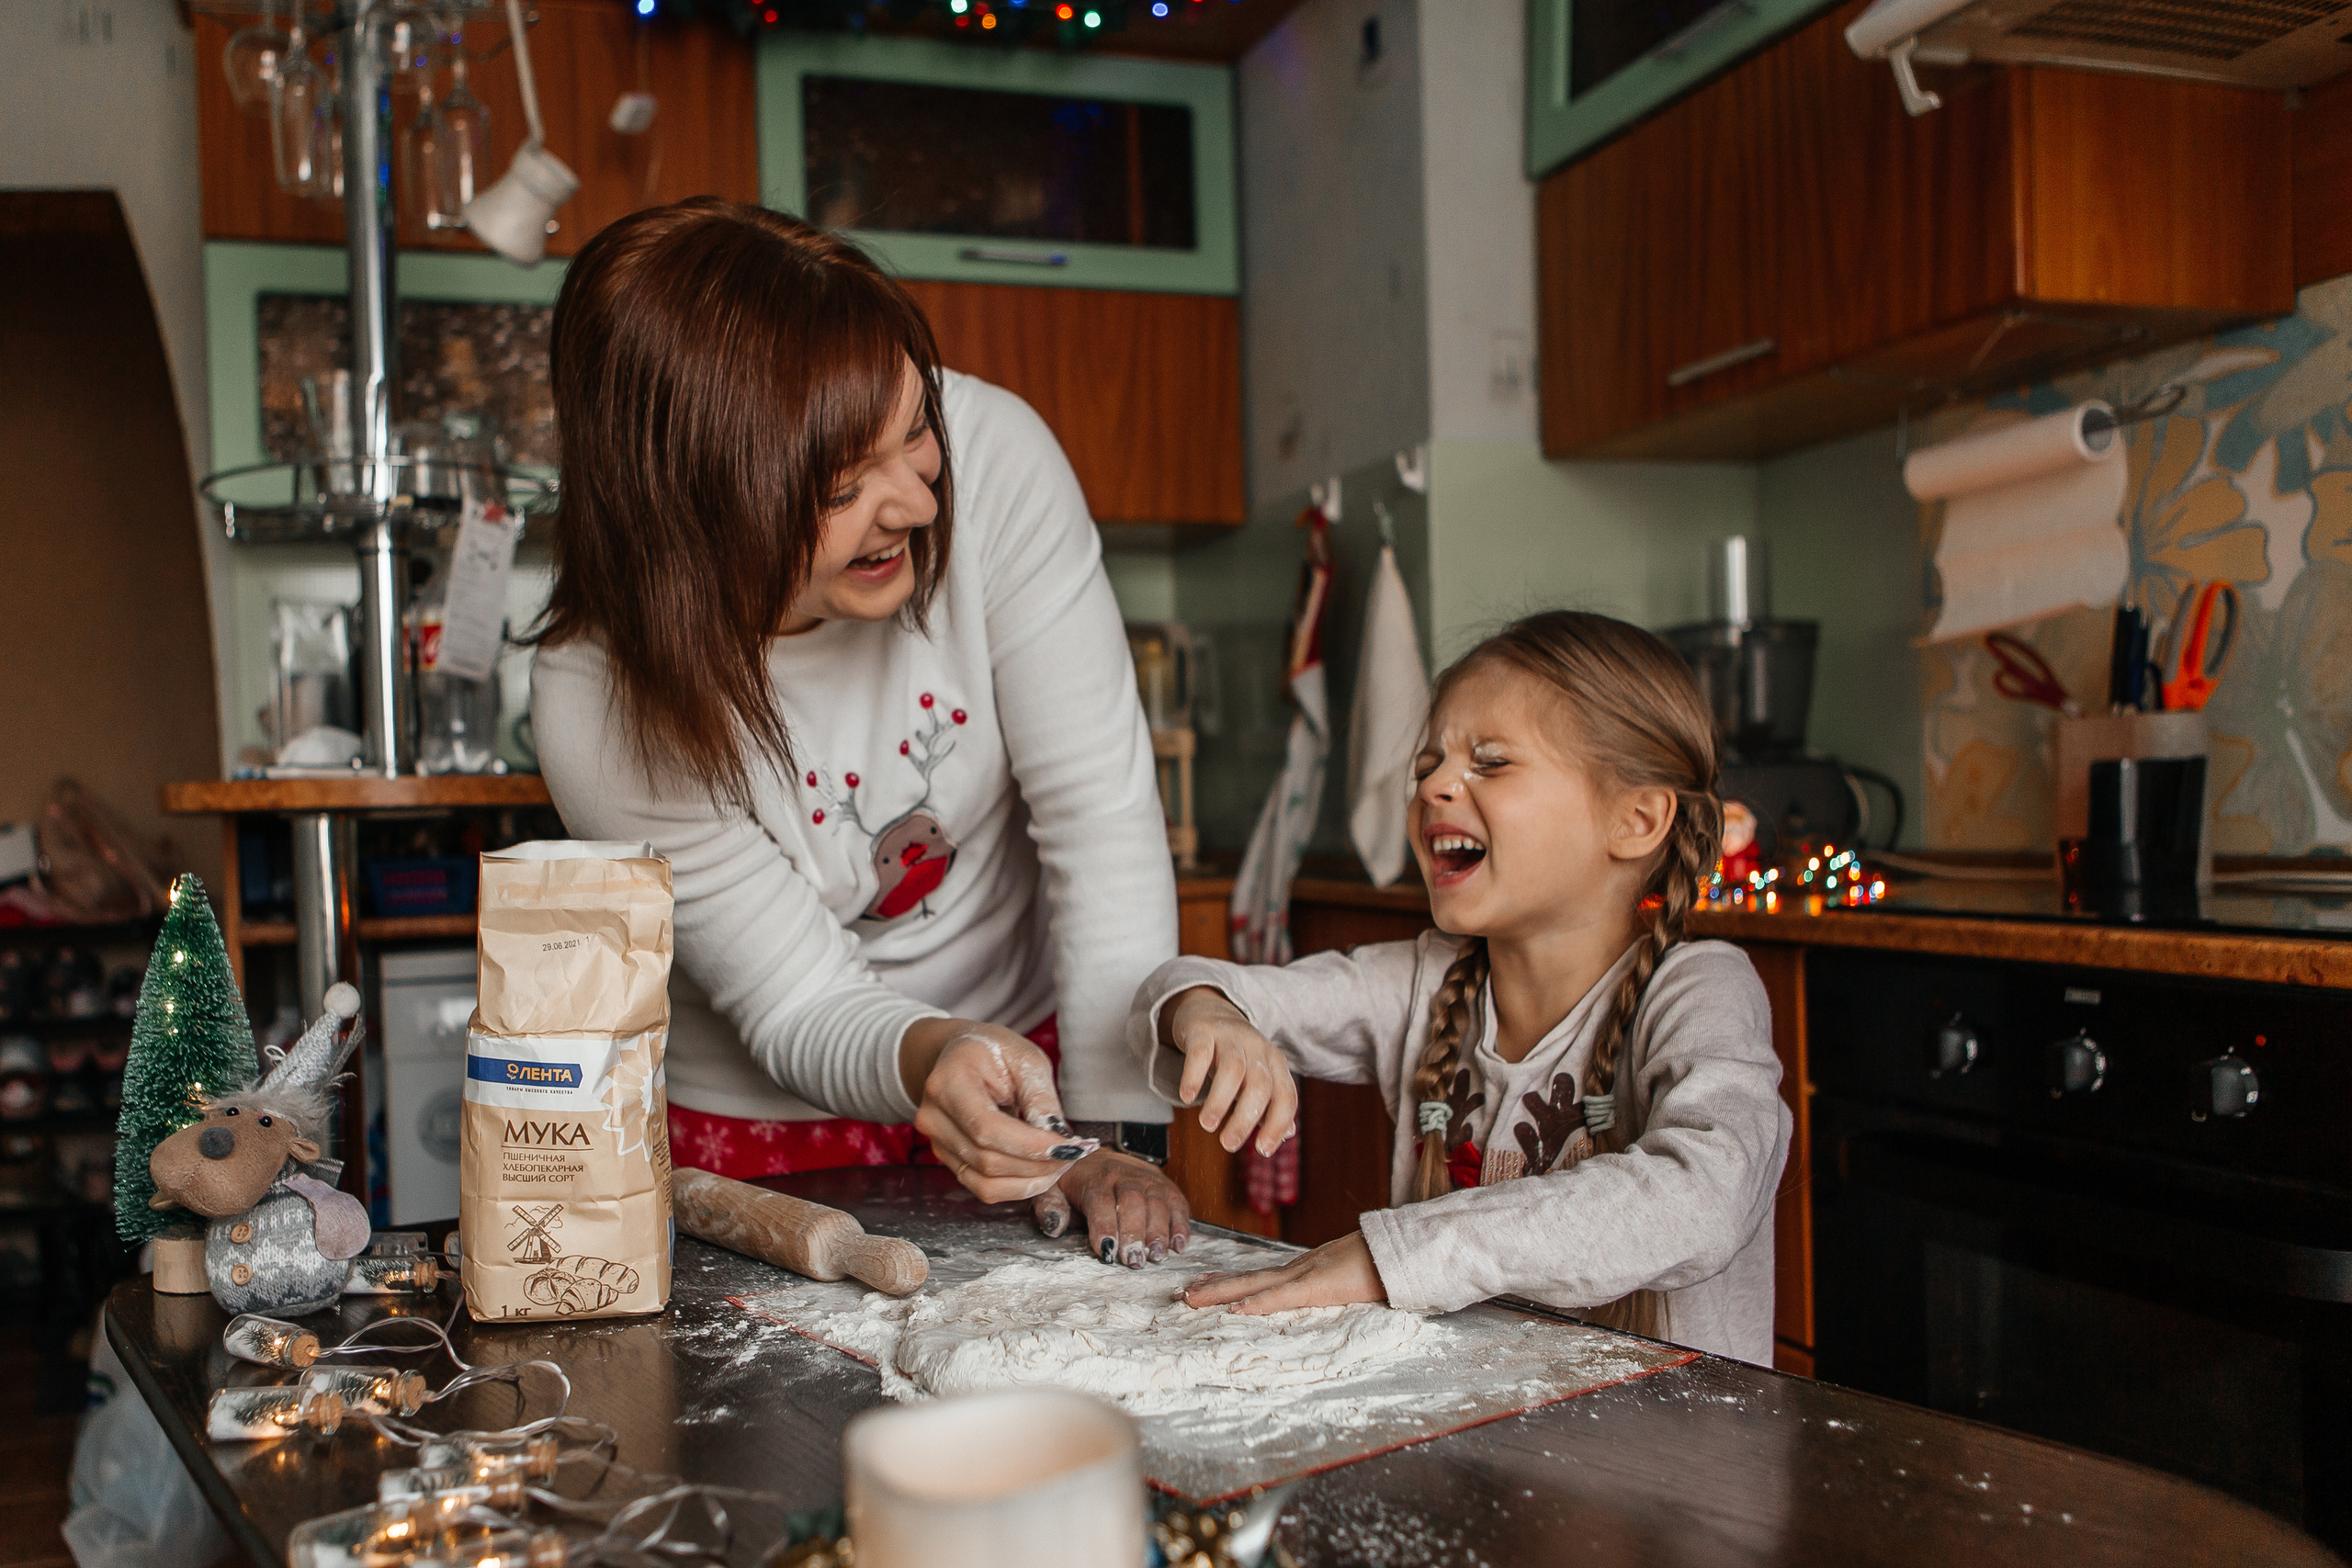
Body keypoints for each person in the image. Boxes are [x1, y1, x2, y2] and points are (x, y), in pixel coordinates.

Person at [529, 198, 1245, 1267]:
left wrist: (1114, 1139)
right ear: (695, 507)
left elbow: (1097, 817)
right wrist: (931, 1052)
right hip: (767, 1111)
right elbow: (798, 997)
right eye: (840, 485)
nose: (916, 503)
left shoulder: (997, 458)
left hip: (1036, 1052)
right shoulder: (595, 697)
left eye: (914, 433)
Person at [1134, 611, 1790, 1360]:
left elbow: (1703, 1195)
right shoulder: (1426, 981)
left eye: (1492, 762)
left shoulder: (1700, 990)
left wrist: (1394, 1255)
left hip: (1672, 1439)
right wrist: (1208, 1013)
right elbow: (1181, 986)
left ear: (1635, 818)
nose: (1434, 785)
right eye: (1428, 765)